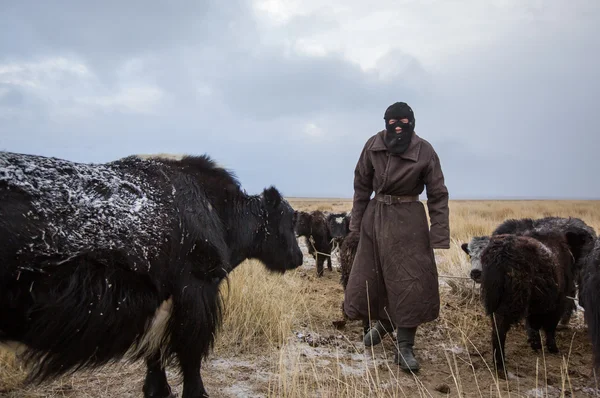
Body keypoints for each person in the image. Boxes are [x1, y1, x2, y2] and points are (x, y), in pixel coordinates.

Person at [343, 101, 450, 372]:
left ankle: (405, 348)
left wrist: (438, 234)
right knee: (372, 279)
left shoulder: (425, 150)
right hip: (375, 220)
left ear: (412, 123)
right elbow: (361, 188)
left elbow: (437, 194)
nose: (398, 127)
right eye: (393, 122)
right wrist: (356, 229)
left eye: (404, 122)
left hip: (410, 223)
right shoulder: (372, 145)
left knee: (410, 283)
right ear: (385, 123)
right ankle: (384, 323)